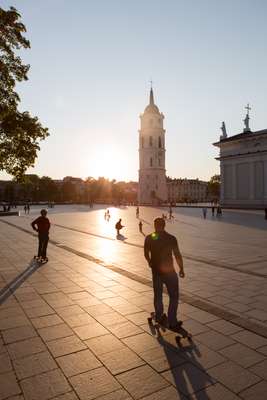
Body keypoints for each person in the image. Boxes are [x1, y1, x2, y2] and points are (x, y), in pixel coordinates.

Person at [144, 217, 185, 330]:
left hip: (156, 272)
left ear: (155, 225)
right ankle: (172, 321)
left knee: (158, 295)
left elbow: (146, 253)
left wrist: (149, 262)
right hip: (170, 272)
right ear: (164, 225)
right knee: (174, 296)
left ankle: (159, 316)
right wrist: (181, 269)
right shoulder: (171, 238)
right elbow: (177, 255)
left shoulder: (150, 238)